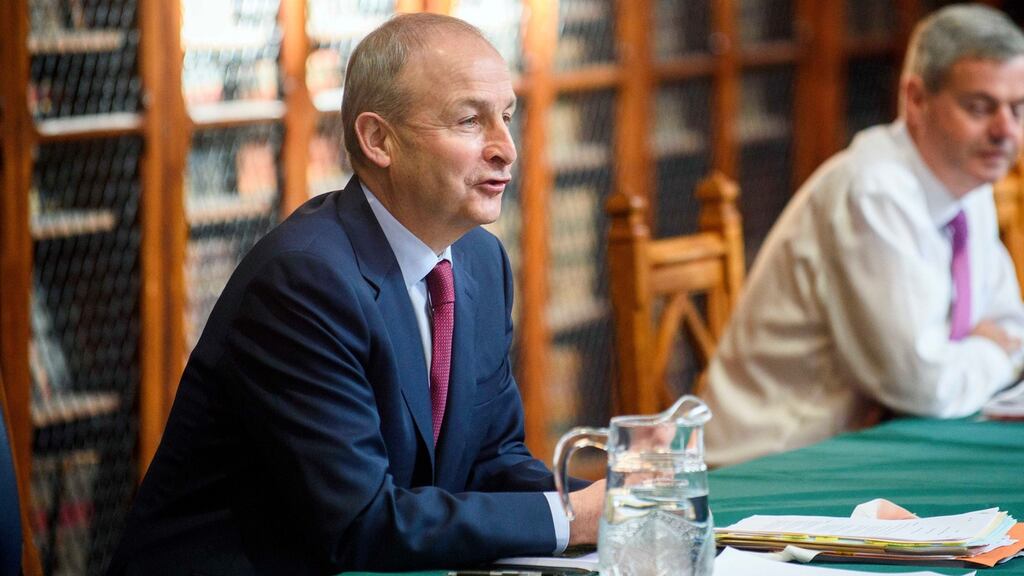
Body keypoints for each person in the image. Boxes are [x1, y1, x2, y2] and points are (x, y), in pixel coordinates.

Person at [107, 13, 604, 575]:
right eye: (470, 121)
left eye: (508, 117)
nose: (506, 149)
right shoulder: (304, 283)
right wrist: (572, 518)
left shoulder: (479, 261)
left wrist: (618, 504)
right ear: (378, 140)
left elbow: (492, 460)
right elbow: (363, 524)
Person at [705, 4, 1024, 467]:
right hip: (773, 465)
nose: (1005, 131)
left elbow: (1011, 326)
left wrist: (977, 353)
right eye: (980, 107)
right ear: (915, 99)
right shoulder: (872, 191)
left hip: (868, 450)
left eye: (1018, 109)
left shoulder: (968, 183)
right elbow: (920, 387)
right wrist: (990, 351)